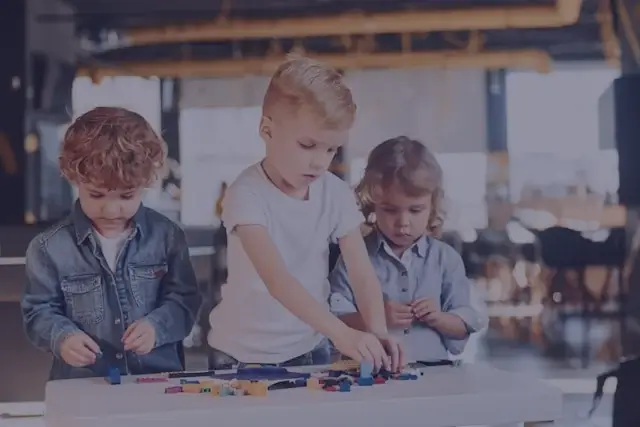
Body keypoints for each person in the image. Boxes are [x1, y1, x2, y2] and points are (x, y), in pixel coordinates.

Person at [207, 54, 403, 372]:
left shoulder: (335, 193)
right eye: (307, 145)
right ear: (267, 130)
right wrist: (342, 334)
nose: (320, 162)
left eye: (331, 149)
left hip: (312, 347)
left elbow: (362, 274)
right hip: (242, 354)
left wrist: (377, 332)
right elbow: (278, 280)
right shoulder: (246, 194)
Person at [21, 107, 202, 380]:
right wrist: (62, 337)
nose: (111, 210)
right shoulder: (48, 248)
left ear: (146, 182)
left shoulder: (168, 236)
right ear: (73, 176)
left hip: (156, 383)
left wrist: (157, 327)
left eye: (126, 196)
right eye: (96, 195)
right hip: (83, 387)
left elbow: (186, 300)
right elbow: (38, 312)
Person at [329, 136, 487, 363]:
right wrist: (376, 317)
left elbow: (465, 325)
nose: (403, 222)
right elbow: (334, 320)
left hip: (435, 376)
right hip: (371, 378)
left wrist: (439, 318)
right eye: (390, 210)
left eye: (415, 210)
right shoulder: (355, 256)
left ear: (433, 205)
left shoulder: (446, 260)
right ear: (372, 203)